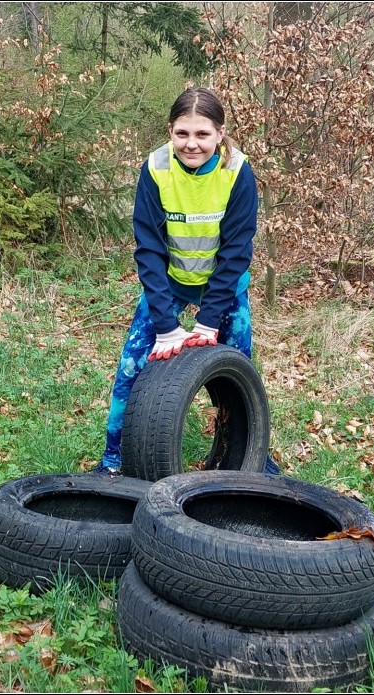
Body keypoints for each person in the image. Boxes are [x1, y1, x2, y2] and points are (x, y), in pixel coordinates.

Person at [94, 87, 278, 475]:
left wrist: (208, 321)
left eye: (202, 134)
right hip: (170, 283)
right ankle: (112, 461)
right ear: (170, 131)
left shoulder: (236, 172)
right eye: (182, 133)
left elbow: (236, 251)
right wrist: (165, 325)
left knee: (238, 378)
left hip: (224, 287)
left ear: (220, 134)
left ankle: (251, 461)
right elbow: (148, 248)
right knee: (131, 369)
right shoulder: (157, 168)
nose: (191, 144)